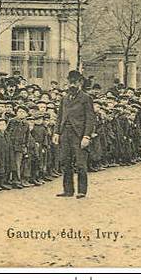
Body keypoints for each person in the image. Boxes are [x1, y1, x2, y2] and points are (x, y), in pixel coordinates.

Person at [54, 70, 95, 199]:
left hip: (79, 135)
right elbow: (59, 117)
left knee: (80, 164)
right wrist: (56, 132)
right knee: (65, 162)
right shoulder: (64, 99)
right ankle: (68, 190)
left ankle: (82, 191)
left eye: (75, 82)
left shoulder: (86, 98)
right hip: (65, 134)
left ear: (80, 83)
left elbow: (90, 119)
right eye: (70, 82)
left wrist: (87, 136)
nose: (72, 85)